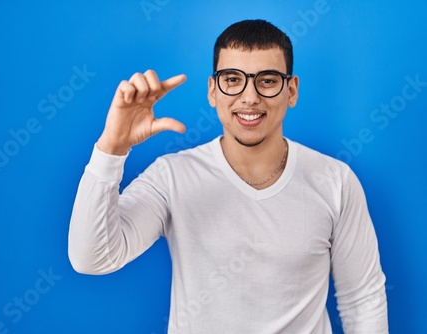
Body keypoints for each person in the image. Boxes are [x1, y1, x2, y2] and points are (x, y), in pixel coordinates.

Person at [68, 19, 388, 333]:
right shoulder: (172, 176)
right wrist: (112, 148)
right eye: (233, 79)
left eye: (267, 80)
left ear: (291, 90)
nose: (249, 97)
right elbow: (92, 259)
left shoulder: (335, 180)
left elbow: (363, 298)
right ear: (212, 91)